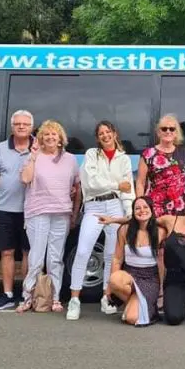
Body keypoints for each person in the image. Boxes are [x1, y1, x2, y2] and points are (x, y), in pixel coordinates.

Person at [106, 193, 185, 326]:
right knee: (173, 318)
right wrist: (115, 220)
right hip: (176, 280)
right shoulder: (170, 220)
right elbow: (145, 219)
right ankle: (139, 306)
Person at [67, 120, 134, 320]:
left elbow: (128, 188)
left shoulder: (124, 159)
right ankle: (74, 300)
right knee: (83, 251)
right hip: (94, 206)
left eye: (108, 132)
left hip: (116, 206)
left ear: (115, 133)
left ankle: (106, 297)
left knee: (111, 255)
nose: (105, 136)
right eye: (101, 133)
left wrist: (129, 213)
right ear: (98, 138)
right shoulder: (91, 155)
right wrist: (116, 185)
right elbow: (92, 183)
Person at [16, 120, 81, 313]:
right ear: (40, 138)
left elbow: (77, 189)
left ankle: (55, 297)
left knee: (55, 258)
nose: (50, 137)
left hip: (61, 212)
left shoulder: (70, 159)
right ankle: (27, 296)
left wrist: (74, 214)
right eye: (46, 134)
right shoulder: (33, 157)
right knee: (36, 257)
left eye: (54, 134)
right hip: (38, 212)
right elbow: (25, 179)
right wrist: (34, 156)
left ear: (61, 139)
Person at [0, 110, 34, 310]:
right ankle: (7, 294)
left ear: (32, 127)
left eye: (25, 124)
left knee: (28, 252)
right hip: (5, 208)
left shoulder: (39, 148)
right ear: (12, 126)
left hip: (31, 209)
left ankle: (26, 293)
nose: (21, 127)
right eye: (17, 124)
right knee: (6, 252)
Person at [106, 196, 166, 326]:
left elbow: (161, 263)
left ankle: (143, 307)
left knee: (132, 318)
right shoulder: (124, 230)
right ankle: (137, 303)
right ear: (133, 212)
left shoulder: (160, 232)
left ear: (151, 210)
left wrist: (161, 289)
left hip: (150, 279)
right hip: (130, 274)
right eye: (137, 208)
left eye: (145, 207)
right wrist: (109, 288)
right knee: (114, 279)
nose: (141, 210)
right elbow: (117, 258)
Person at [136, 114, 185, 217]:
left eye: (172, 129)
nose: (168, 131)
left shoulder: (183, 153)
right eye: (164, 129)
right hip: (156, 207)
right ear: (159, 133)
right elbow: (140, 182)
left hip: (179, 207)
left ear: (176, 133)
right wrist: (140, 204)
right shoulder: (148, 154)